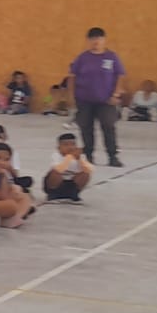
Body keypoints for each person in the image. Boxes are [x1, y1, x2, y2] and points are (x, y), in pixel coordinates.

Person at [67, 26, 127, 166]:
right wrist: (71, 96)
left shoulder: (111, 57)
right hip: (84, 100)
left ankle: (112, 156)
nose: (96, 42)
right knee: (86, 128)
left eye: (99, 39)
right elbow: (72, 77)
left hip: (106, 100)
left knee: (108, 127)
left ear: (104, 40)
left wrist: (116, 94)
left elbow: (120, 75)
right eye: (93, 39)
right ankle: (88, 155)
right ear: (88, 41)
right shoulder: (82, 58)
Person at [44, 132, 92, 202]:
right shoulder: (56, 156)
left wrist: (79, 160)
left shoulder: (81, 156)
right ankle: (53, 195)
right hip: (56, 184)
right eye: (66, 145)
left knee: (86, 172)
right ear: (59, 148)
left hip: (72, 182)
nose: (70, 147)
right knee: (55, 172)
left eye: (73, 144)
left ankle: (74, 194)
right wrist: (69, 157)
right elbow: (59, 169)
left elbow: (88, 169)